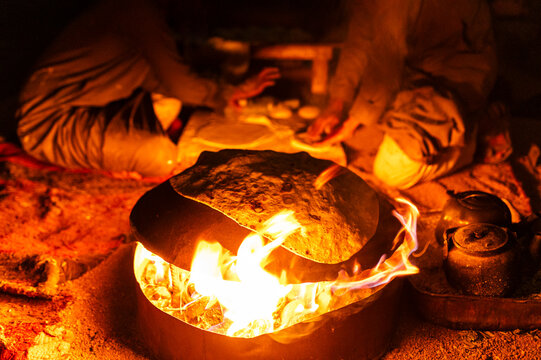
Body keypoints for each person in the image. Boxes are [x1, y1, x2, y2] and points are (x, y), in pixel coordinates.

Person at [15, 0, 279, 178]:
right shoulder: (138, 13)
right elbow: (182, 85)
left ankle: (122, 147)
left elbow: (166, 82)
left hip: (88, 108)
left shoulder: (138, 13)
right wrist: (223, 93)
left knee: (170, 102)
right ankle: (127, 154)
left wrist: (231, 92)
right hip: (45, 126)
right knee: (162, 156)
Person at [308, 0, 498, 189]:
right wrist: (337, 104)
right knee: (358, 140)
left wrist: (352, 122)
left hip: (453, 82)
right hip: (410, 80)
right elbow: (359, 39)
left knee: (390, 171)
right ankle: (420, 127)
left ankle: (469, 141)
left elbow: (387, 60)